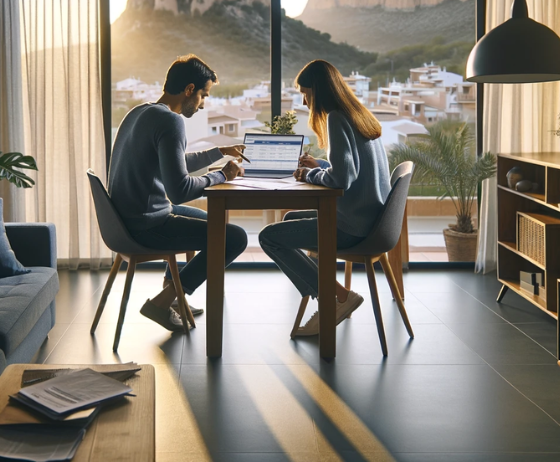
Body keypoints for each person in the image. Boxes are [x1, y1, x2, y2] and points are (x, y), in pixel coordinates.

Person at [108, 54, 248, 332]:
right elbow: (180, 190)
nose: (203, 103)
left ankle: (171, 287)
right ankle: (165, 300)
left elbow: (175, 162)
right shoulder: (172, 122)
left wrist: (219, 152)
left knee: (206, 220)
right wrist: (222, 175)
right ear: (189, 90)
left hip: (125, 220)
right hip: (145, 225)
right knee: (233, 237)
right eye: (203, 95)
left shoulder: (140, 112)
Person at [259, 59, 391, 336]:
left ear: (318, 92)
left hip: (354, 227)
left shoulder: (337, 118)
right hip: (374, 221)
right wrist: (319, 166)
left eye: (306, 95)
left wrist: (307, 176)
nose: (305, 104)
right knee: (291, 218)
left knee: (269, 237)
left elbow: (342, 179)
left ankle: (336, 297)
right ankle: (329, 294)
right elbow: (354, 168)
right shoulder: (358, 114)